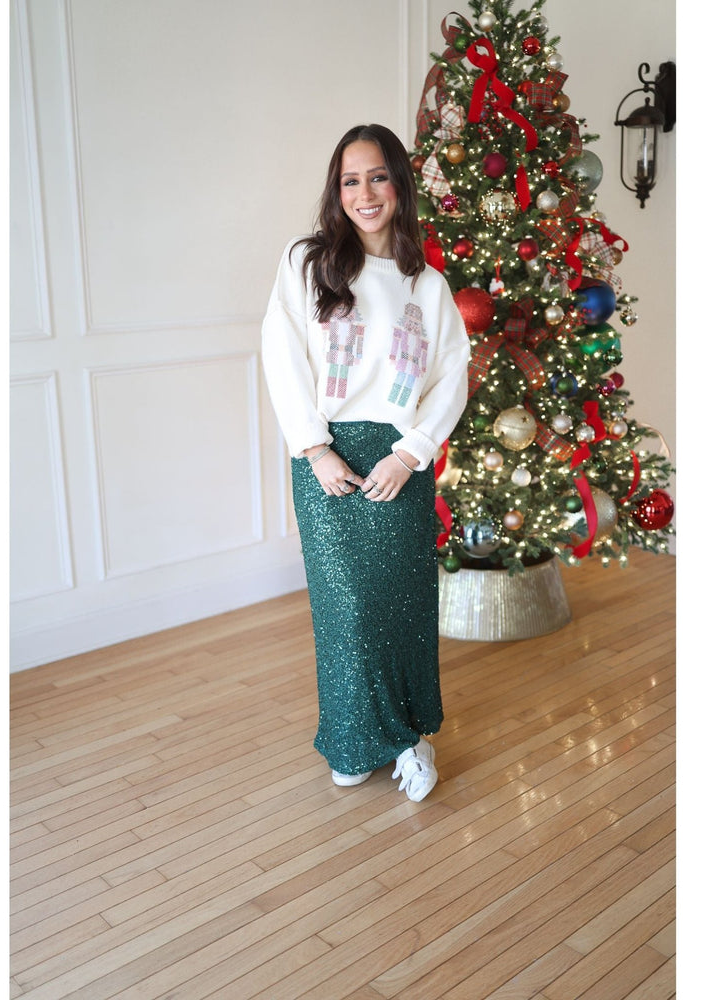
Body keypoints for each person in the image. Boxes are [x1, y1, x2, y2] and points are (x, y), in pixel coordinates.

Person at [261, 123, 470, 802]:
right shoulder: (307, 262)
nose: (365, 193)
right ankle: (354, 738)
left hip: (400, 463)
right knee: (346, 611)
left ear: (399, 184)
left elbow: (452, 376)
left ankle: (410, 737)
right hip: (329, 457)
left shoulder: (427, 285)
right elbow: (282, 355)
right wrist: (314, 448)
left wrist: (410, 454)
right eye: (350, 180)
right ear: (337, 190)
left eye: (377, 176)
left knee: (402, 606)